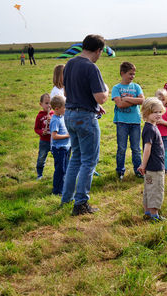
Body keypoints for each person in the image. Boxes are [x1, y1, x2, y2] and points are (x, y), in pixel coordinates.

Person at [61, 34, 108, 216]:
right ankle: (81, 203)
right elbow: (101, 96)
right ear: (98, 50)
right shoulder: (91, 67)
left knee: (76, 158)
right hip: (85, 118)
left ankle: (67, 198)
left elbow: (67, 91)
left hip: (70, 114)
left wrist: (96, 106)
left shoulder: (70, 63)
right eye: (100, 53)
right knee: (89, 161)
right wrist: (106, 90)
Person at [112, 61, 145, 180]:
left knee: (136, 148)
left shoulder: (136, 87)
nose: (132, 76)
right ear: (122, 73)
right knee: (121, 148)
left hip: (135, 121)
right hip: (122, 122)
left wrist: (126, 98)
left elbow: (142, 101)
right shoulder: (116, 88)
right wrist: (133, 99)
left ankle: (138, 170)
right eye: (130, 74)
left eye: (134, 74)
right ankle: (120, 170)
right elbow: (119, 104)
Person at [137, 97, 166, 222]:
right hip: (155, 167)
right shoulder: (150, 129)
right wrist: (143, 165)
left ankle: (147, 213)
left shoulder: (151, 127)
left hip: (152, 166)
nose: (158, 114)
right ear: (146, 113)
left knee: (149, 189)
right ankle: (154, 216)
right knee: (155, 190)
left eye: (160, 112)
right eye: (155, 112)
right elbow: (147, 149)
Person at [49, 95, 71, 196]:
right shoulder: (55, 120)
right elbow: (54, 136)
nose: (66, 109)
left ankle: (63, 187)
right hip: (59, 149)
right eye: (64, 107)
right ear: (57, 109)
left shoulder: (62, 117)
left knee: (65, 168)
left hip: (66, 147)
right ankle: (57, 191)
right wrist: (67, 135)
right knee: (60, 170)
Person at [155, 89, 167, 178]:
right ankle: (157, 169)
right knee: (155, 153)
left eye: (163, 100)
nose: (161, 102)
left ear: (166, 100)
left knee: (165, 153)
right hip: (155, 136)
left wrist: (164, 122)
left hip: (166, 136)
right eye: (159, 100)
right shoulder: (153, 112)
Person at [34, 93, 53, 181]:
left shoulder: (54, 114)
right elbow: (36, 128)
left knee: (57, 158)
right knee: (41, 157)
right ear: (41, 104)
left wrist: (52, 120)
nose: (49, 105)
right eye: (46, 103)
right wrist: (42, 132)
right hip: (44, 141)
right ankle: (39, 174)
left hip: (54, 141)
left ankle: (59, 172)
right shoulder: (40, 116)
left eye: (50, 103)